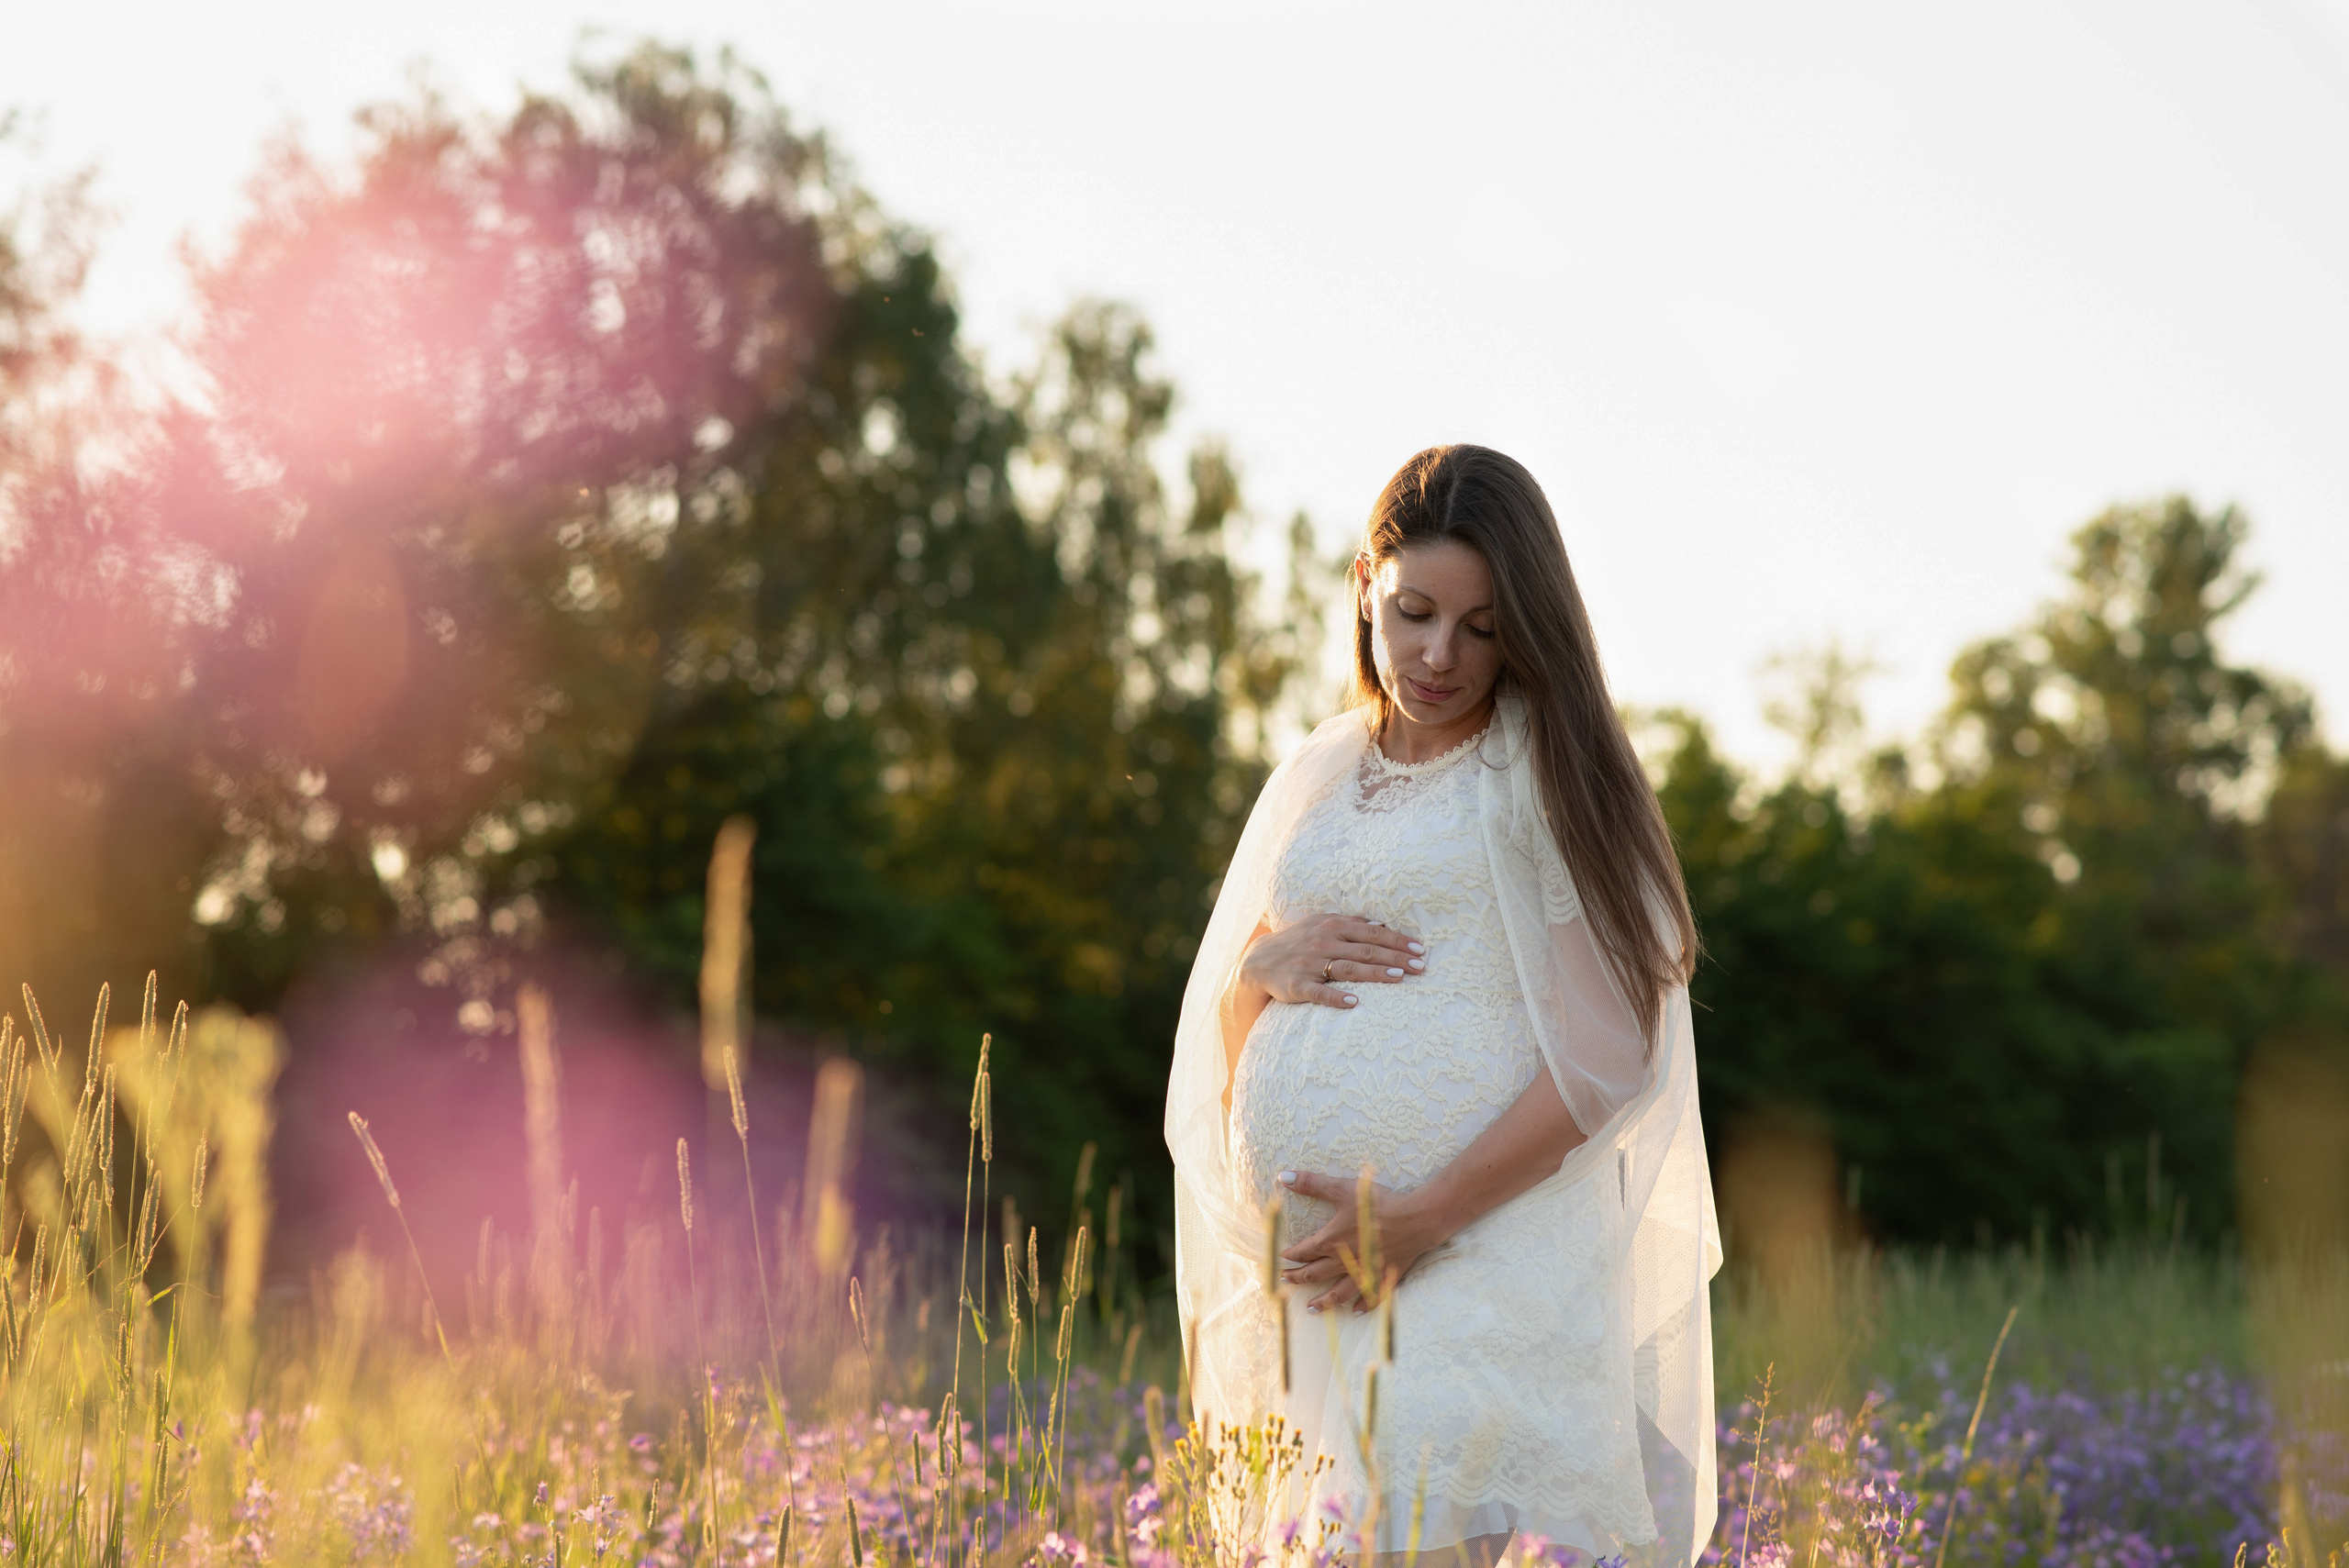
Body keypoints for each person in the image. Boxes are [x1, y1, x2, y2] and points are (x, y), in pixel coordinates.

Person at [1164, 445, 1721, 1566]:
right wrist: (1255, 975)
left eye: (1482, 626)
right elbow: (1234, 1037)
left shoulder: (1544, 772)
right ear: (1364, 582)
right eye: (1415, 610)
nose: (1439, 654)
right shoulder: (1317, 775)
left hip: (1467, 1250)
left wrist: (1424, 1212)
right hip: (1322, 1275)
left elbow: (1613, 1052)